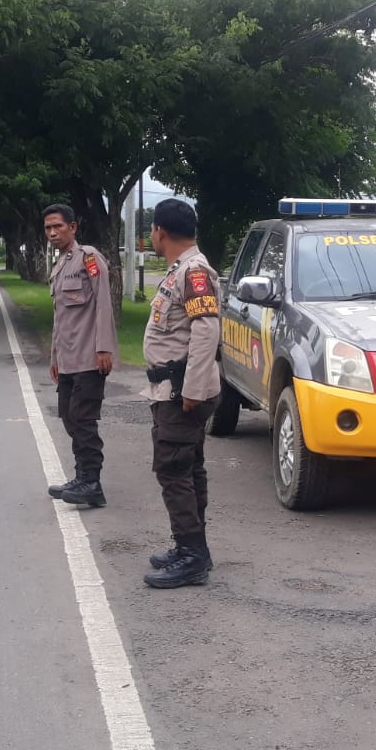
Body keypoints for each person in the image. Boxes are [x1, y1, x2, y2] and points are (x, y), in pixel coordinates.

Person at [140, 199, 222, 589]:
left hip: (180, 391)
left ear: (159, 231)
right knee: (188, 468)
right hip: (173, 387)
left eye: (152, 230)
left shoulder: (194, 272)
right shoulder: (182, 270)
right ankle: (193, 547)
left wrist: (192, 388)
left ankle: (191, 557)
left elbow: (206, 331)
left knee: (173, 469)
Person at [44, 204, 117, 507]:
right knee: (68, 417)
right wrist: (54, 357)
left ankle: (92, 482)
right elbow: (59, 317)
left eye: (58, 226)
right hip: (67, 358)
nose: (52, 233)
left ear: (72, 227)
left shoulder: (89, 258)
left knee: (83, 419)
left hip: (89, 356)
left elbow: (103, 303)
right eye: (48, 228)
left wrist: (104, 347)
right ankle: (81, 476)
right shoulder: (60, 265)